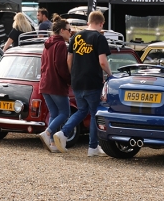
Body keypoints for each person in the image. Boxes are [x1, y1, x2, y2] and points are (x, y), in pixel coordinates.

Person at [54, 11, 113, 156]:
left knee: (81, 111)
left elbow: (69, 60)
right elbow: (102, 62)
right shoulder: (99, 38)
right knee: (94, 114)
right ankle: (92, 147)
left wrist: (73, 74)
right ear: (101, 23)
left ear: (88, 22)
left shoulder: (75, 37)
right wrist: (110, 75)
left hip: (77, 81)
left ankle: (63, 133)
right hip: (92, 81)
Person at [37, 18, 72, 153]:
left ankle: (52, 143)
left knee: (54, 113)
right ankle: (48, 132)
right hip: (56, 84)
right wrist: (69, 80)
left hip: (45, 83)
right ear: (62, 31)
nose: (70, 33)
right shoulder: (61, 44)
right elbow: (60, 66)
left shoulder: (47, 43)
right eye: (69, 30)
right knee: (65, 113)